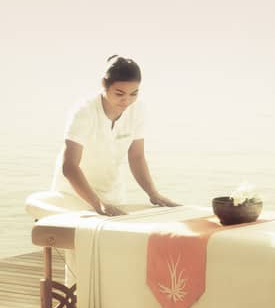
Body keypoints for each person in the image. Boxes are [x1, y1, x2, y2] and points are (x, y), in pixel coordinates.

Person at [50, 55, 179, 216]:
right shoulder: (84, 112)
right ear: (104, 84)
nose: (126, 101)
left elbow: (136, 157)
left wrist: (153, 194)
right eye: (119, 94)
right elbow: (69, 166)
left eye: (134, 94)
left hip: (112, 196)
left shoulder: (137, 110)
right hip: (72, 196)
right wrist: (97, 204)